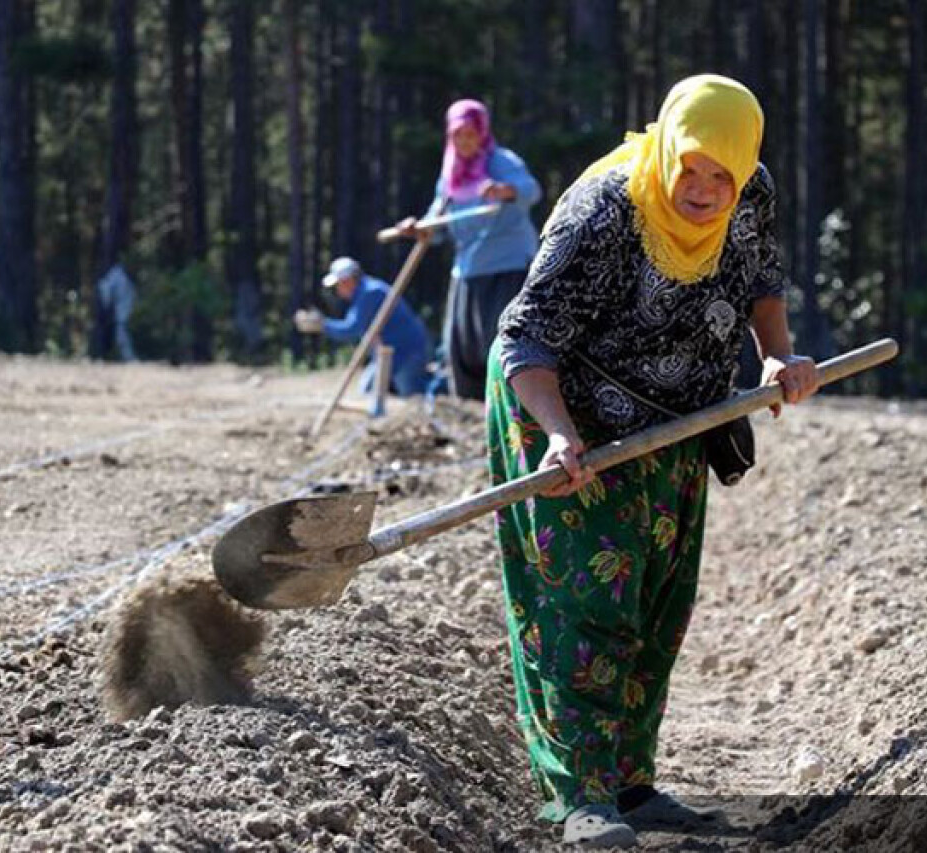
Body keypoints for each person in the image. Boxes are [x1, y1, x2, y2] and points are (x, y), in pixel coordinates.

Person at [486, 75, 822, 848]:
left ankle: (632, 785)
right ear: (668, 146)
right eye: (691, 168)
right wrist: (561, 435)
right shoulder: (604, 212)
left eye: (721, 176)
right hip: (564, 412)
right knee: (582, 604)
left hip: (675, 423)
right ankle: (581, 796)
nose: (704, 191)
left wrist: (777, 359)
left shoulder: (752, 192)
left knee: (657, 601)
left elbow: (762, 281)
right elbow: (525, 338)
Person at [394, 98, 542, 401]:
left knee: (501, 344)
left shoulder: (501, 161)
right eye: (457, 135)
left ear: (483, 133)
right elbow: (437, 223)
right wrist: (419, 228)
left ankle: (513, 409)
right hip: (468, 270)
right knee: (461, 349)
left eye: (470, 134)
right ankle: (474, 412)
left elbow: (531, 190)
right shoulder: (450, 175)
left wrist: (504, 190)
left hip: (508, 267)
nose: (464, 141)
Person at [294, 257, 432, 405]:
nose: (338, 290)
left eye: (338, 285)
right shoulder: (366, 291)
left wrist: (322, 325)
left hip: (406, 352)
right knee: (368, 390)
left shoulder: (370, 293)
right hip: (390, 353)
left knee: (413, 400)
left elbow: (351, 329)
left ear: (348, 280)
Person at [95, 262, 138, 362]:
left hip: (120, 311)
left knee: (120, 333)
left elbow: (106, 294)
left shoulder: (118, 277)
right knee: (119, 333)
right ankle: (126, 357)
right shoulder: (118, 276)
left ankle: (128, 357)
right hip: (119, 311)